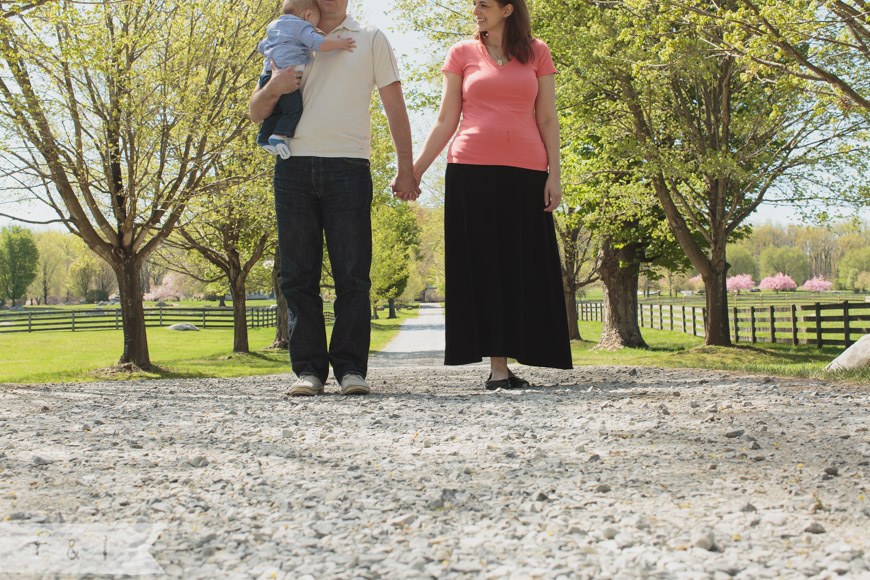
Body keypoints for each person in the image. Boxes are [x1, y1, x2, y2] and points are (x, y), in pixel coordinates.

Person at [250, 0, 418, 397]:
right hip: (292, 167)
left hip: (349, 167)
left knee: (353, 273)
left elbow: (395, 106)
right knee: (297, 275)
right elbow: (257, 113)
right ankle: (308, 371)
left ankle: (350, 370)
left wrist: (405, 167)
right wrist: (275, 85)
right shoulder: (286, 33)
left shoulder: (370, 38)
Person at [411, 0, 572, 389]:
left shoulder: (539, 51)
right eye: (474, 5)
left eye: (483, 4)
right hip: (471, 171)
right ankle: (498, 368)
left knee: (521, 265)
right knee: (483, 266)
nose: (476, 11)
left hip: (527, 173)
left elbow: (547, 116)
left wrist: (556, 174)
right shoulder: (462, 53)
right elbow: (446, 119)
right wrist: (414, 170)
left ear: (508, 8)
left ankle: (523, 353)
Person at [256, 0, 356, 159]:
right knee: (293, 108)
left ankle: (263, 137)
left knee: (276, 111)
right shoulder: (301, 26)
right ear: (308, 15)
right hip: (287, 75)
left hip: (267, 75)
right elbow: (318, 43)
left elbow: (262, 47)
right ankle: (279, 136)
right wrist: (340, 43)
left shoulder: (274, 26)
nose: (315, 29)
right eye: (314, 25)